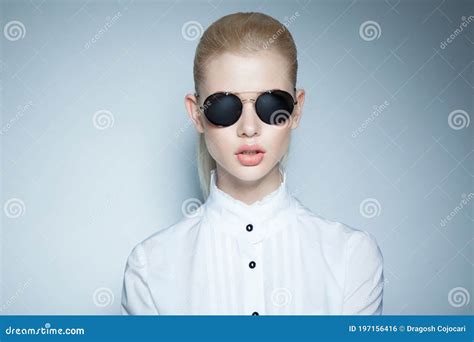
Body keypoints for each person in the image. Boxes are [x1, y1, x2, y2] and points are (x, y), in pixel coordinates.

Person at [121, 11, 384, 315]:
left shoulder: (351, 257)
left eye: (272, 104)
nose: (249, 128)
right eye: (224, 106)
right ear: (196, 114)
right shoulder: (150, 267)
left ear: (296, 111)